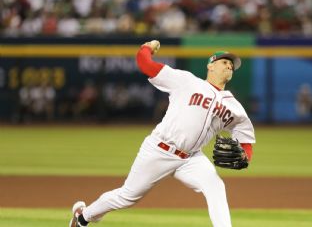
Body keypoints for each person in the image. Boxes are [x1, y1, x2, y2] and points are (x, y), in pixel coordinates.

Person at [69, 40, 256, 227]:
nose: (229, 66)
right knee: (127, 197)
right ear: (210, 65)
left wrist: (245, 156)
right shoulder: (186, 81)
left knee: (215, 186)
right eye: (225, 62)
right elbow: (146, 65)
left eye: (232, 65)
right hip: (159, 150)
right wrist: (147, 48)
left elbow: (245, 136)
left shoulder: (233, 106)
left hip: (191, 159)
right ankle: (83, 216)